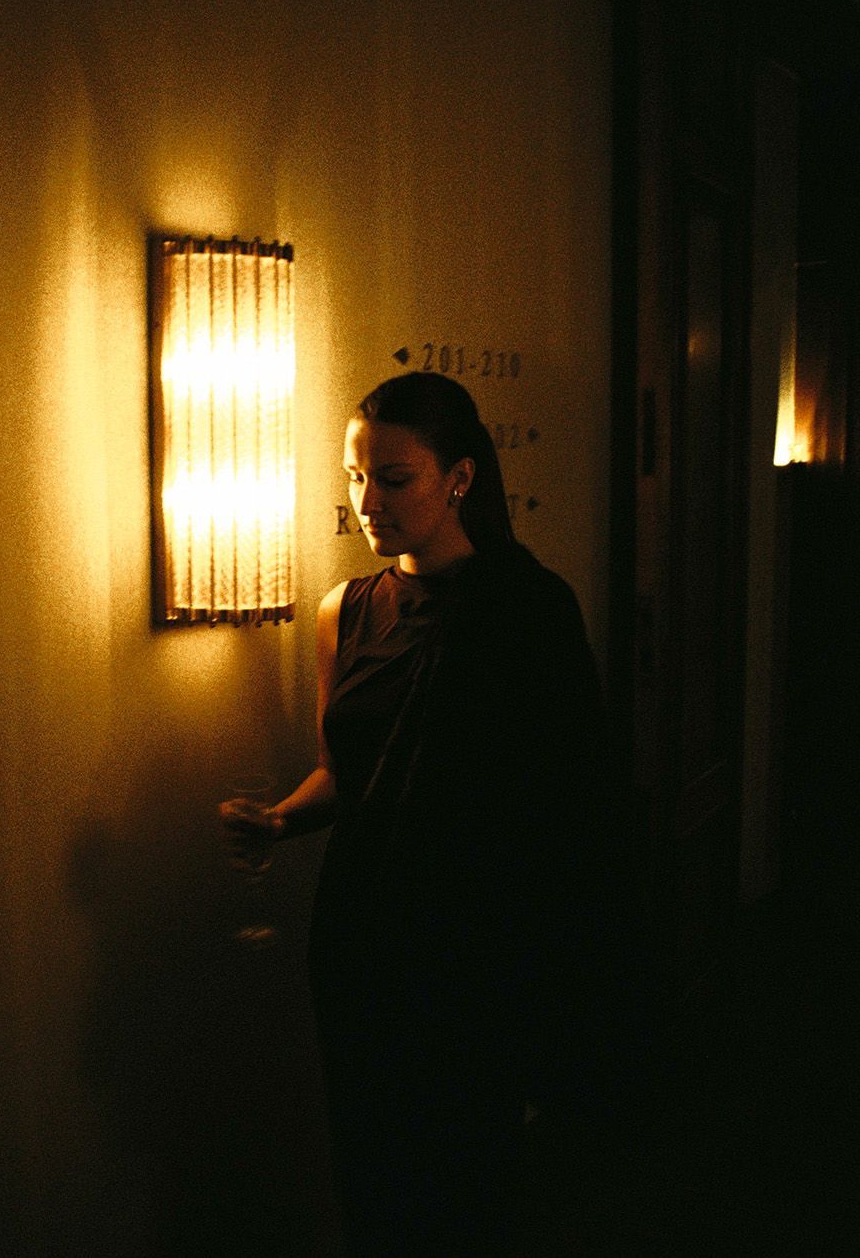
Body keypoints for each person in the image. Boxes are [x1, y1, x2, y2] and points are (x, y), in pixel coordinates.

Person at [221, 372, 638, 1254]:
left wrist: (561, 1003)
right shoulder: (348, 610)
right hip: (362, 942)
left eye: (394, 478)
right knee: (370, 1176)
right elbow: (348, 771)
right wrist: (280, 819)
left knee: (463, 1188)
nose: (367, 501)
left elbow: (574, 814)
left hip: (473, 952)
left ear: (460, 477)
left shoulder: (529, 609)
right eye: (353, 476)